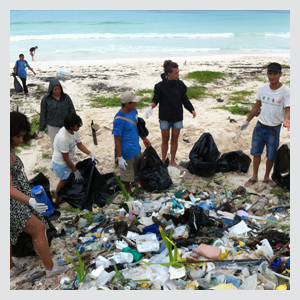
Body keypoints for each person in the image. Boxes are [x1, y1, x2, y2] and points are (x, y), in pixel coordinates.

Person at [10, 111, 68, 280]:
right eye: (18, 136)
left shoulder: (9, 146)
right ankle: (50, 269)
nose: (21, 140)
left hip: (17, 197)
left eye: (23, 136)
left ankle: (10, 269)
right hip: (12, 201)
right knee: (39, 228)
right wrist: (31, 202)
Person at [240, 62, 290, 187]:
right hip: (260, 127)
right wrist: (247, 121)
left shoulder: (286, 91)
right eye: (270, 73)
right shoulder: (263, 89)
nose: (272, 76)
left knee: (271, 155)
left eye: (275, 74)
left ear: (280, 74)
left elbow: (288, 108)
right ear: (267, 74)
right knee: (256, 153)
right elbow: (257, 106)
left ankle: (267, 177)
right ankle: (254, 176)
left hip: (274, 130)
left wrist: (286, 120)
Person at [145, 60, 196, 168]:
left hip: (177, 116)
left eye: (178, 72)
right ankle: (163, 161)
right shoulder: (160, 86)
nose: (178, 75)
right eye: (176, 73)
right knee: (165, 140)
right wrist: (150, 107)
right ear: (169, 74)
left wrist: (191, 109)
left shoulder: (181, 85)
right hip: (165, 117)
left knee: (174, 140)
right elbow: (156, 99)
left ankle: (172, 161)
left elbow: (184, 99)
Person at [52, 113, 100, 204]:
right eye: (77, 125)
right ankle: (57, 201)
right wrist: (75, 171)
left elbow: (79, 144)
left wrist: (91, 154)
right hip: (60, 163)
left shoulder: (75, 131)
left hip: (68, 159)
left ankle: (68, 197)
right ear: (70, 126)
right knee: (63, 182)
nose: (79, 127)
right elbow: (65, 159)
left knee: (70, 179)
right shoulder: (63, 138)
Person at [113, 91, 151, 195]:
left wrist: (144, 138)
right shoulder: (118, 120)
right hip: (126, 151)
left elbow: (137, 126)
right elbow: (117, 140)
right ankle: (128, 190)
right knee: (127, 173)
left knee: (139, 168)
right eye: (134, 102)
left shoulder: (134, 111)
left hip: (136, 148)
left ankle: (142, 186)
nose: (136, 104)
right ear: (127, 103)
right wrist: (119, 157)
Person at [39, 79, 76, 148]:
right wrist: (42, 128)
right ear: (51, 90)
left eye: (59, 89)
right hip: (52, 126)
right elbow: (43, 114)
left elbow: (72, 111)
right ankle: (56, 158)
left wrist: (74, 123)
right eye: (55, 89)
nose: (57, 91)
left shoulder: (66, 97)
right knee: (55, 144)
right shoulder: (46, 99)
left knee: (67, 142)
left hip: (65, 125)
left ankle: (67, 157)